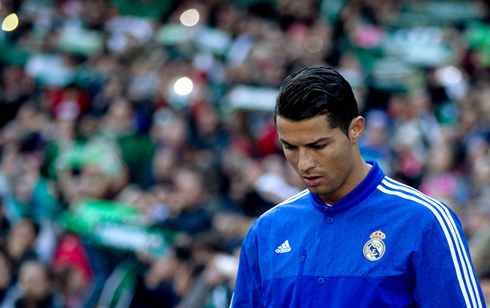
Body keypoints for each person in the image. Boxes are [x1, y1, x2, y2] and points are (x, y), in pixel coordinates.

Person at [231, 66, 486, 307]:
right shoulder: (266, 232)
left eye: (318, 146)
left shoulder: (425, 222)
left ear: (356, 129)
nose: (304, 163)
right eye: (290, 147)